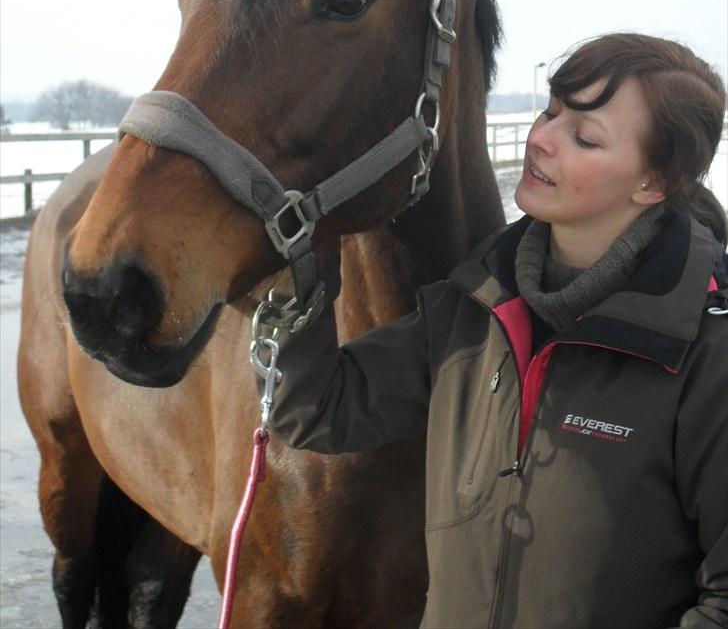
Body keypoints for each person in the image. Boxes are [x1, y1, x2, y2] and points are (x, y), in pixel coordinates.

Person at [262, 33, 728, 629]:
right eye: (551, 112)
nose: (542, 139)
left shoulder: (702, 353)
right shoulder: (475, 305)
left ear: (653, 184)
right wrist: (300, 262)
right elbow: (316, 407)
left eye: (584, 137)